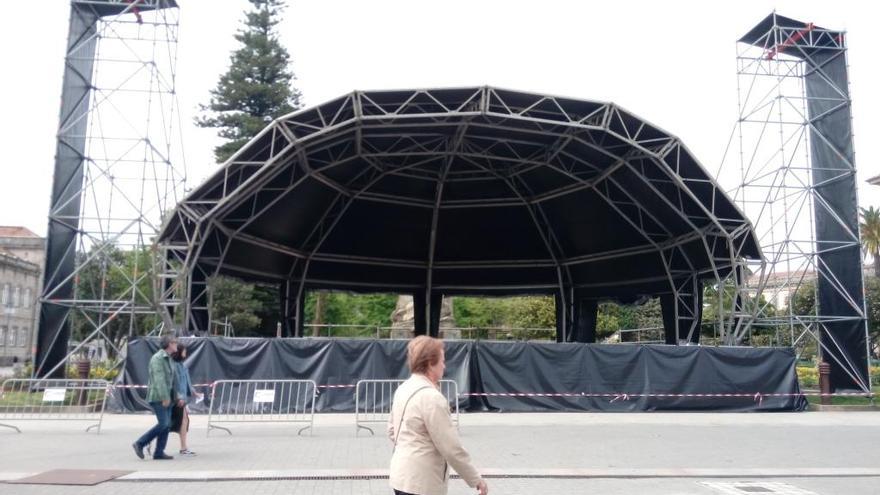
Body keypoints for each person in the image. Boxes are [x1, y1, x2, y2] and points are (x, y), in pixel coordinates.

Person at [388, 336, 488, 495]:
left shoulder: (403, 388)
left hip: (400, 476)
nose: (444, 366)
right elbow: (451, 447)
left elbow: (392, 431)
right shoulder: (432, 398)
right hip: (422, 481)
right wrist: (475, 479)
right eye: (442, 360)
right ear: (430, 364)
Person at [132, 335, 178, 460]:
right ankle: (140, 443)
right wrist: (165, 397)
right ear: (169, 344)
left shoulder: (168, 358)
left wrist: (175, 396)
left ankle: (159, 452)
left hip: (167, 396)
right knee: (164, 424)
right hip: (158, 396)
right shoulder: (158, 358)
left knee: (167, 425)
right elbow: (159, 380)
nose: (176, 344)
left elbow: (171, 380)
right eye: (174, 342)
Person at [170, 344, 201, 456]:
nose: (185, 354)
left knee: (180, 421)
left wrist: (194, 392)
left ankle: (183, 447)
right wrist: (180, 397)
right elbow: (176, 383)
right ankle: (183, 448)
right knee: (181, 421)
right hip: (178, 399)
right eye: (184, 352)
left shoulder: (182, 366)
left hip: (181, 398)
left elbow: (186, 382)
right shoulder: (175, 366)